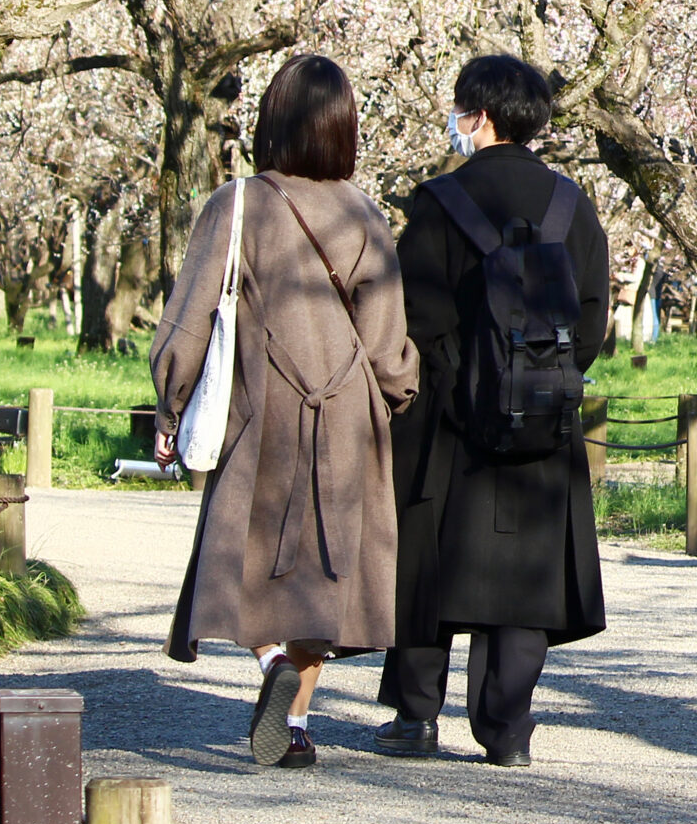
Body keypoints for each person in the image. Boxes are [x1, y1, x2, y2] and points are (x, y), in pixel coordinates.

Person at [154, 54, 418, 770]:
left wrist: (170, 402)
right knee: (325, 574)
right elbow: (390, 341)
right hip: (346, 413)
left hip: (259, 405)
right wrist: (395, 394)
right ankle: (296, 721)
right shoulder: (366, 212)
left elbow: (187, 320)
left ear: (271, 118)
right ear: (343, 129)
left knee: (247, 554)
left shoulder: (236, 205)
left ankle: (267, 656)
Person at [375, 54, 610, 765]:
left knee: (431, 558)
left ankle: (416, 717)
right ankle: (507, 729)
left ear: (478, 115)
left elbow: (411, 312)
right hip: (543, 413)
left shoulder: (439, 202)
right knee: (527, 564)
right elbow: (593, 318)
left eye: (459, 108)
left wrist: (452, 381)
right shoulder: (572, 206)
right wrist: (541, 375)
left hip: (450, 415)